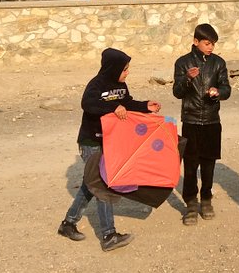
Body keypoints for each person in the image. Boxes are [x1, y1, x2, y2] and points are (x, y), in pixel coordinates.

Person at [58, 48, 161, 252]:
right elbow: (87, 104)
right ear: (113, 69)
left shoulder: (120, 86)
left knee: (91, 184)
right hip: (91, 142)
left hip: (110, 142)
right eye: (124, 69)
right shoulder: (96, 85)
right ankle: (108, 235)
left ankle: (68, 224)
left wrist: (144, 106)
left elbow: (127, 104)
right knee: (103, 184)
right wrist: (112, 108)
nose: (127, 73)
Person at [172, 23, 231, 225]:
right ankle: (190, 203)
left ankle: (206, 199)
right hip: (191, 120)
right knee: (190, 165)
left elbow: (227, 89)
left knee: (208, 164)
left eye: (213, 44)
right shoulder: (183, 63)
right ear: (196, 42)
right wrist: (187, 79)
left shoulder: (218, 63)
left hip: (212, 121)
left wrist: (218, 92)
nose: (210, 47)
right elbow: (177, 92)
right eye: (207, 43)